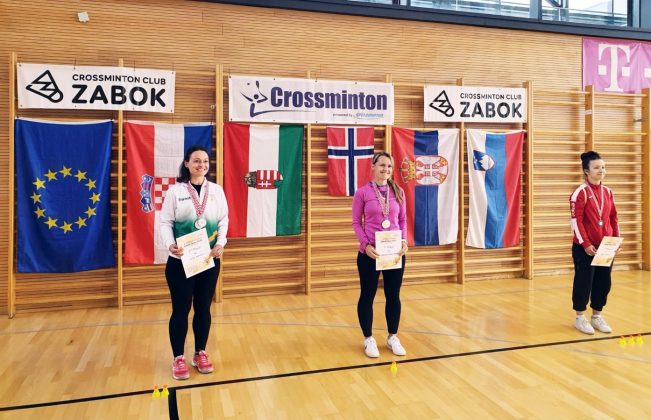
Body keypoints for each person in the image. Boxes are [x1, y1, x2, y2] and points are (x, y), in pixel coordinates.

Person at [159, 146, 229, 380]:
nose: (202, 165)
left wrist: (221, 243)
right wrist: (170, 245)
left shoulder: (217, 191)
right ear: (187, 164)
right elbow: (165, 222)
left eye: (205, 161)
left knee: (203, 308)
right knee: (181, 309)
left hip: (208, 260)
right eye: (197, 161)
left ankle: (200, 353)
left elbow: (223, 220)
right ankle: (178, 357)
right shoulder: (175, 192)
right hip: (180, 261)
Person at [352, 151, 408, 358]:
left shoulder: (399, 191)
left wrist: (404, 241)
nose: (386, 169)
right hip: (370, 254)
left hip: (394, 253)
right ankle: (368, 339)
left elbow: (402, 220)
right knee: (368, 295)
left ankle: (392, 337)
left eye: (389, 166)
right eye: (382, 165)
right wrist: (365, 245)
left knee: (393, 295)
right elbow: (356, 222)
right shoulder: (362, 193)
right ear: (373, 167)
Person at [569, 151, 620, 335]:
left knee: (603, 282)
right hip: (586, 247)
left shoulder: (608, 192)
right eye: (597, 168)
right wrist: (585, 244)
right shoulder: (580, 193)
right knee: (584, 282)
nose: (601, 171)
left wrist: (615, 239)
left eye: (603, 167)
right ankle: (580, 317)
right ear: (586, 171)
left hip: (606, 245)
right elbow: (576, 221)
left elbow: (613, 217)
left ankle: (597, 316)